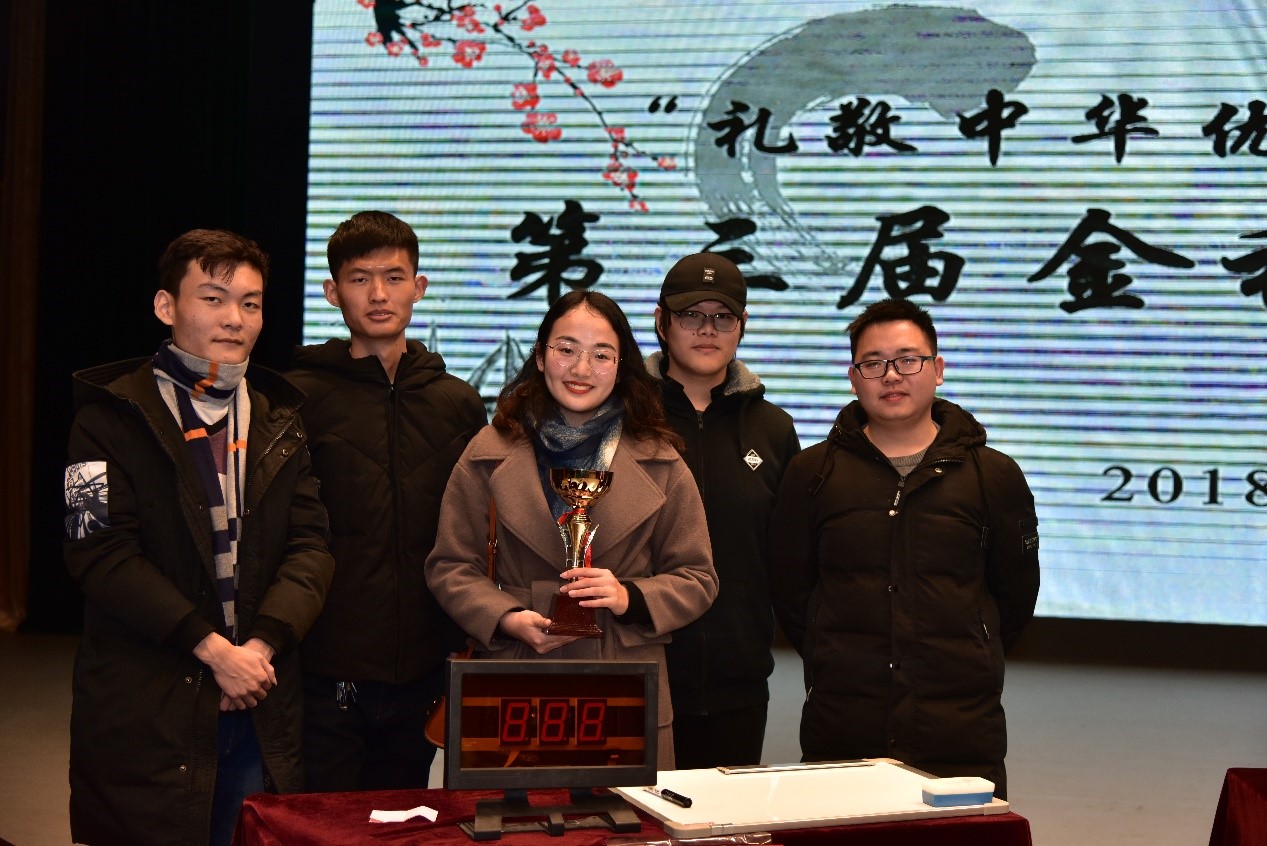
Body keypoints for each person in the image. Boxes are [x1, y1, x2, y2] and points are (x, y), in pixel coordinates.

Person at [62, 229, 335, 846]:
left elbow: (311, 547)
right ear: (166, 306)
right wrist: (213, 651)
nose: (234, 318)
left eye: (250, 303)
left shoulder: (281, 419)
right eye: (213, 298)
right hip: (149, 704)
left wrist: (257, 650)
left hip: (258, 697)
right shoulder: (107, 418)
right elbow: (97, 552)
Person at [425, 290, 718, 769]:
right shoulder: (487, 451)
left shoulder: (661, 460)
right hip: (515, 678)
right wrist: (505, 618)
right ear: (541, 357)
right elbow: (450, 565)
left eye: (601, 355)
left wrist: (629, 596)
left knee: (625, 815)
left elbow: (698, 577)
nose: (582, 368)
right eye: (566, 349)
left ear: (621, 367)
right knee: (511, 814)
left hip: (624, 682)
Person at [768, 298, 1039, 798]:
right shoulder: (812, 473)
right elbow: (791, 590)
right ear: (853, 378)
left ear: (938, 369)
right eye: (873, 363)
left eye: (908, 360)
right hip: (843, 723)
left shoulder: (993, 475)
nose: (891, 375)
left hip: (959, 728)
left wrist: (969, 651)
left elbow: (1015, 596)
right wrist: (835, 652)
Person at [288, 210, 486, 791]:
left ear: (418, 287)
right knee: (321, 824)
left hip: (424, 670)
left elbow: (475, 533)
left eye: (394, 277)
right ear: (332, 292)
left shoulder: (457, 404)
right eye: (360, 278)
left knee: (404, 821)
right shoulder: (295, 399)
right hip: (323, 672)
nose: (378, 294)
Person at [646, 253, 801, 769]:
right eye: (691, 315)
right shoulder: (625, 417)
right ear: (662, 321)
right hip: (640, 669)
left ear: (743, 325)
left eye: (723, 317)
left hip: (740, 681)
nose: (707, 329)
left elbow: (788, 555)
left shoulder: (773, 429)